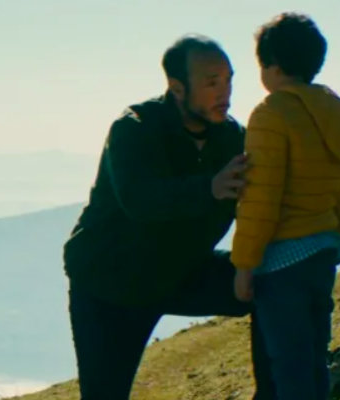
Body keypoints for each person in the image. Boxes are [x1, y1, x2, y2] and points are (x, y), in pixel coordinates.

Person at [62, 34, 275, 400]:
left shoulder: (233, 138)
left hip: (181, 272)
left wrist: (321, 217)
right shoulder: (134, 128)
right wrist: (209, 188)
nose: (224, 92)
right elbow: (140, 201)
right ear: (177, 88)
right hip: (111, 285)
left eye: (229, 80)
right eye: (211, 82)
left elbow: (259, 199)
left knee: (272, 281)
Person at [230, 13, 340, 400]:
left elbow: (261, 198)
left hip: (282, 261)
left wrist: (244, 264)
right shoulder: (333, 114)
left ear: (273, 66)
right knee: (313, 358)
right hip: (324, 250)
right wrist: (338, 230)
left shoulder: (271, 114)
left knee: (288, 365)